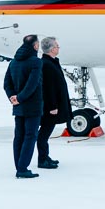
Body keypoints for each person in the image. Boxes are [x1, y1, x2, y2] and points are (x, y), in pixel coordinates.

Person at [2, 34, 42, 178]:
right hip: (32, 105)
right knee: (30, 136)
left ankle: (19, 166)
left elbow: (7, 84)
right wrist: (20, 98)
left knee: (18, 136)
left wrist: (13, 98)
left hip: (18, 106)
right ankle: (22, 168)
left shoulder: (13, 62)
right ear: (35, 46)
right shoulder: (36, 62)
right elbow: (32, 84)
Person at [36, 36, 71, 169]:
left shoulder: (52, 62)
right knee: (44, 133)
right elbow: (48, 88)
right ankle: (42, 159)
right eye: (57, 46)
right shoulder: (47, 65)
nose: (58, 48)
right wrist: (52, 106)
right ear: (51, 49)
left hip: (53, 105)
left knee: (45, 132)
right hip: (50, 107)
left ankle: (45, 156)